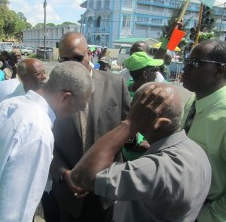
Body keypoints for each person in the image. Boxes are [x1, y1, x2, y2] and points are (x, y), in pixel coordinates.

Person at [0, 61, 94, 222]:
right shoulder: (37, 130)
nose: (77, 112)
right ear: (66, 97)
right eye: (80, 106)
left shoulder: (8, 105)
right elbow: (13, 212)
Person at [70, 82, 212, 222]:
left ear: (160, 123)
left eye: (138, 113)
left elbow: (80, 176)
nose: (130, 116)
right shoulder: (196, 150)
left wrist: (128, 125)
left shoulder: (160, 168)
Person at [50, 31, 131, 222]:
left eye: (78, 57)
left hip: (106, 190)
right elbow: (46, 141)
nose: (73, 64)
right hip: (68, 193)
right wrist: (63, 173)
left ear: (89, 54)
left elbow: (129, 127)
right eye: (65, 59)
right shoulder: (53, 90)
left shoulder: (116, 83)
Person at [181, 39, 226, 222]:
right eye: (186, 61)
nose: (185, 68)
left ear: (219, 70)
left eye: (195, 63)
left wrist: (206, 217)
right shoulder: (194, 101)